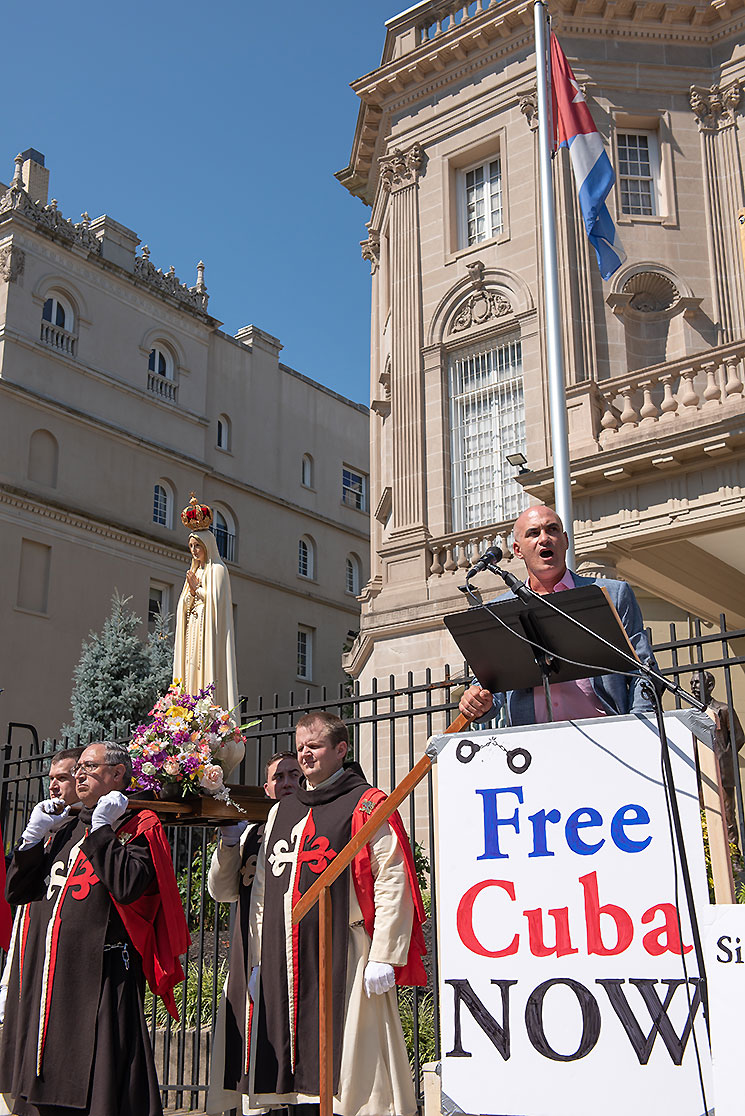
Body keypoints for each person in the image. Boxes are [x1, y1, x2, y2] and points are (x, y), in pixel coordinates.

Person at [247, 713, 426, 1116]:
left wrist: (385, 953)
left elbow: (392, 876)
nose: (305, 754)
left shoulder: (367, 803)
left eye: (314, 746)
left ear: (341, 749)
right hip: (285, 957)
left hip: (346, 954)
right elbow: (261, 890)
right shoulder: (281, 811)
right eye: (300, 747)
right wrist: (259, 957)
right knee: (293, 1084)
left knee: (353, 1080)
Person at [0, 740, 190, 1116]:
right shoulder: (66, 826)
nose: (80, 775)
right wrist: (31, 840)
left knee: (96, 1091)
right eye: (79, 769)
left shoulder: (137, 825)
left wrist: (102, 829)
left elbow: (128, 884)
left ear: (117, 774)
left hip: (100, 975)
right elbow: (17, 892)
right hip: (50, 973)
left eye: (89, 767)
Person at [459, 505, 657, 726]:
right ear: (517, 550)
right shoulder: (497, 611)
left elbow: (645, 671)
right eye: (533, 533)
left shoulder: (612, 594)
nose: (544, 538)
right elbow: (489, 690)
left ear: (565, 541)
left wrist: (636, 726)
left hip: (607, 735)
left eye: (552, 530)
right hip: (533, 740)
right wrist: (478, 701)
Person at [206, 751, 303, 1116]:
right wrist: (230, 844)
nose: (288, 783)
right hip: (251, 955)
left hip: (296, 953)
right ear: (266, 788)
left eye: (295, 775)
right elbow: (222, 891)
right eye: (279, 777)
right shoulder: (250, 834)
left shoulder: (311, 825)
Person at [0, 748, 84, 1116]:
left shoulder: (81, 829)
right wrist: (32, 837)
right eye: (51, 778)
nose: (53, 785)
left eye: (62, 778)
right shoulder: (49, 825)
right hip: (27, 947)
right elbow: (14, 888)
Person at [173, 495, 239, 715]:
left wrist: (197, 590)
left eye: (197, 546)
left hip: (208, 634)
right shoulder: (194, 572)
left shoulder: (218, 570)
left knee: (205, 670)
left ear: (207, 546)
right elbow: (185, 605)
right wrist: (191, 593)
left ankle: (208, 712)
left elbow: (216, 603)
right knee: (191, 670)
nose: (194, 550)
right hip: (193, 631)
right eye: (191, 546)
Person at [691, 670, 745, 847]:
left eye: (697, 683)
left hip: (722, 770)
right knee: (703, 813)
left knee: (728, 814)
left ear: (710, 686)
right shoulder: (690, 713)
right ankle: (709, 852)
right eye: (691, 683)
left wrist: (724, 757)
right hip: (699, 772)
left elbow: (738, 737)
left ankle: (734, 854)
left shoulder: (723, 709)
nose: (693, 687)